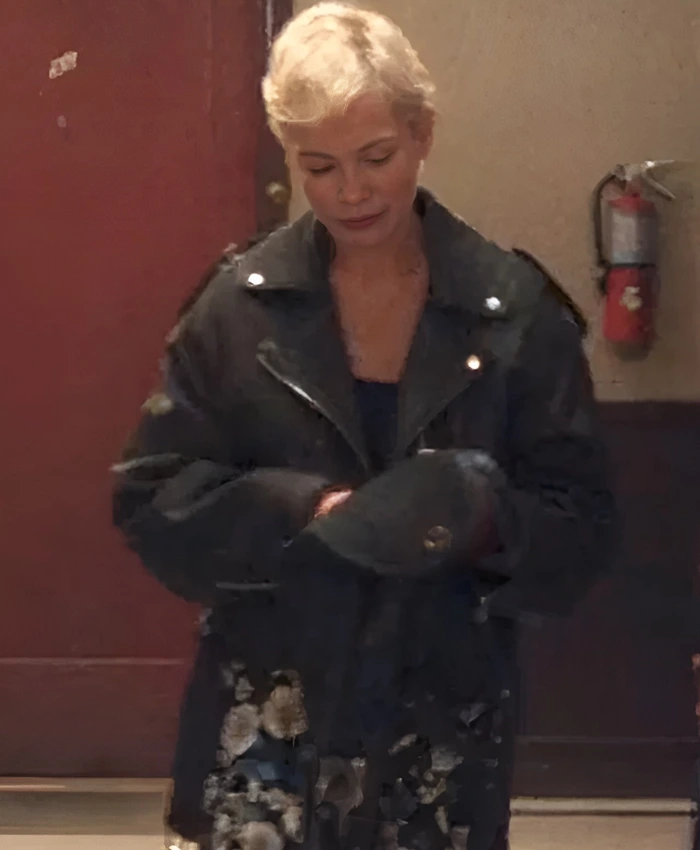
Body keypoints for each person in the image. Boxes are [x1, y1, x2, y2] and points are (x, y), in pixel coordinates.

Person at [112, 4, 617, 849]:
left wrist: (478, 518)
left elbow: (585, 526)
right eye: (320, 166)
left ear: (423, 135)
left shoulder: (512, 311)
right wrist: (306, 511)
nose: (351, 192)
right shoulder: (237, 308)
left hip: (442, 704)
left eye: (376, 158)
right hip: (270, 705)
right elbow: (152, 499)